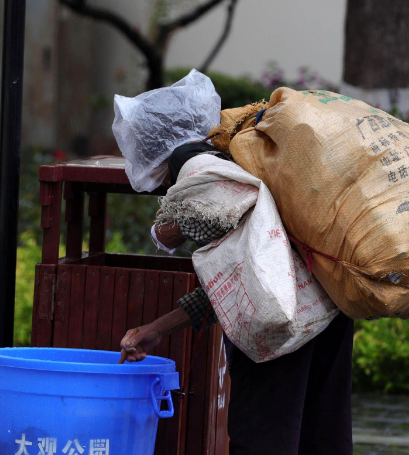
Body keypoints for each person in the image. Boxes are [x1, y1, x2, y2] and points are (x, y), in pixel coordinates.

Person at [120, 142, 355, 455]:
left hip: (280, 332)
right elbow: (229, 284)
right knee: (322, 434)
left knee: (263, 438)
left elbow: (181, 232)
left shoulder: (196, 168)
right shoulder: (260, 172)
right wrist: (159, 329)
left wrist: (172, 218)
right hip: (332, 314)